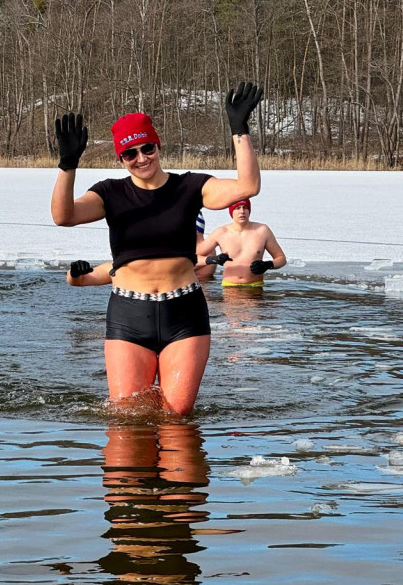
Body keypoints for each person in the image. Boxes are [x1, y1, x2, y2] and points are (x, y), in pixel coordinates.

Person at [51, 81, 263, 415]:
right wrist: (68, 164)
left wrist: (239, 130)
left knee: (177, 418)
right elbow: (63, 217)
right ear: (121, 158)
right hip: (128, 315)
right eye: (130, 154)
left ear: (157, 145)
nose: (141, 158)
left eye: (146, 148)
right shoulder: (110, 193)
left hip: (184, 313)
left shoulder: (190, 187)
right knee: (127, 419)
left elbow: (248, 186)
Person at [198, 198, 287, 287]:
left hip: (255, 286)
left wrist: (267, 265)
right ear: (231, 211)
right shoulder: (221, 233)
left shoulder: (262, 231)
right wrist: (212, 259)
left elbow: (281, 259)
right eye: (237, 208)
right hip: (229, 287)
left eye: (245, 207)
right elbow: (193, 258)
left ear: (249, 210)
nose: (242, 211)